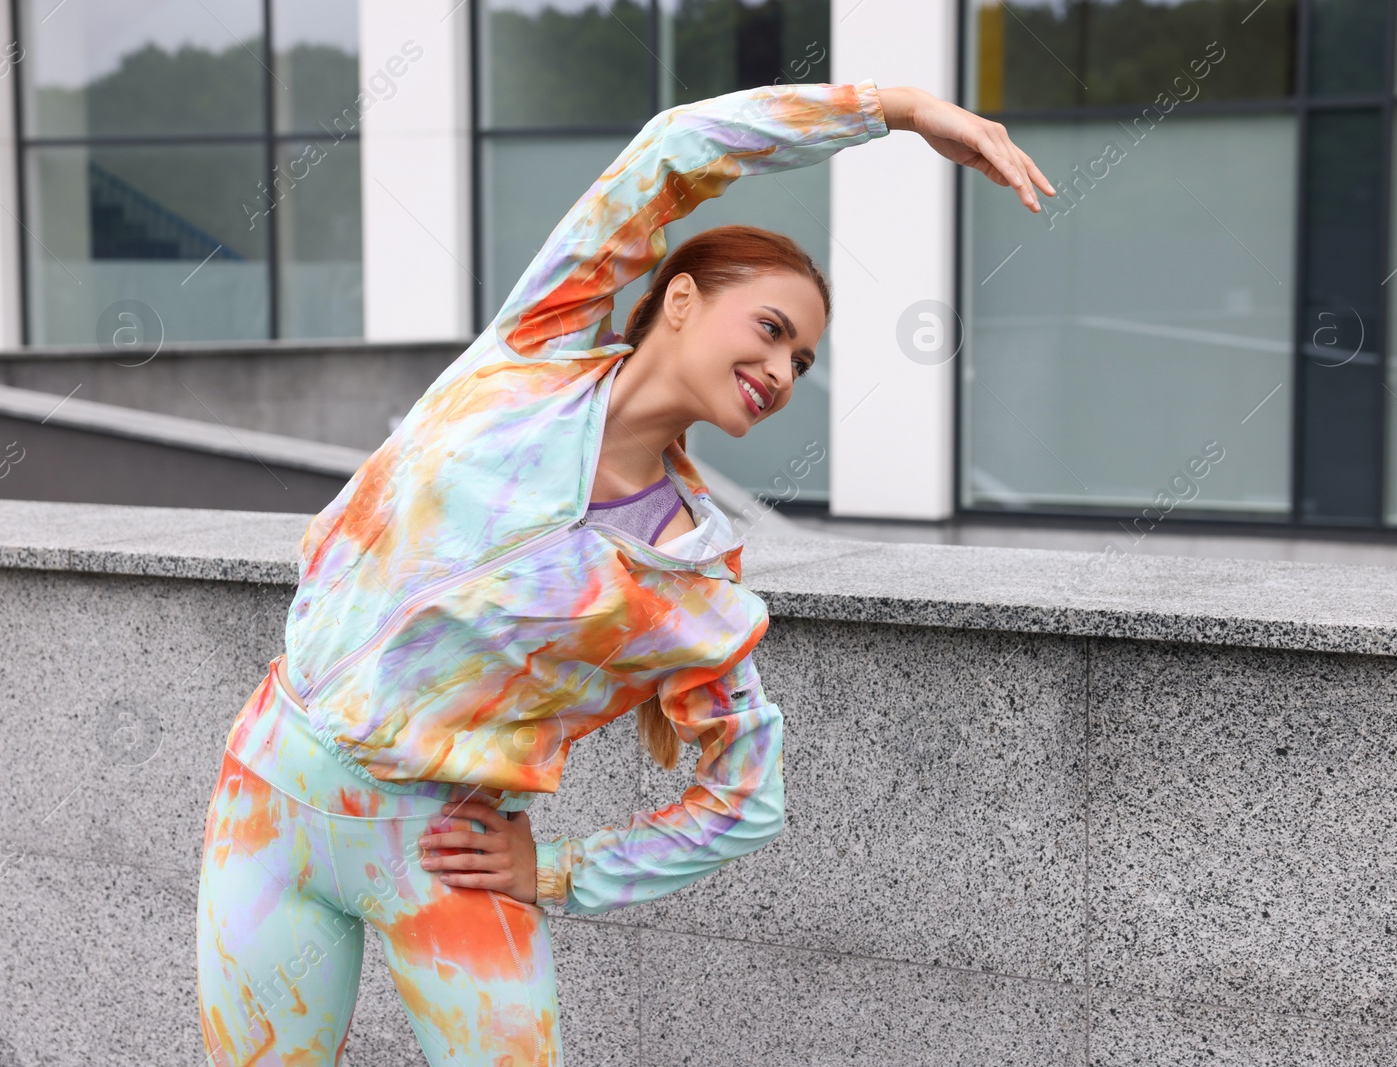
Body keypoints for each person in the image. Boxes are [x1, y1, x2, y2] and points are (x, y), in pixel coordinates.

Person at [195, 78, 1054, 1067]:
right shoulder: (533, 348)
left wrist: (557, 870)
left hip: (440, 854)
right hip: (267, 790)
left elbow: (745, 794)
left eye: (803, 361)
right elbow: (672, 147)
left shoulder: (687, 576)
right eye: (771, 330)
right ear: (681, 299)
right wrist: (895, 110)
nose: (781, 371)